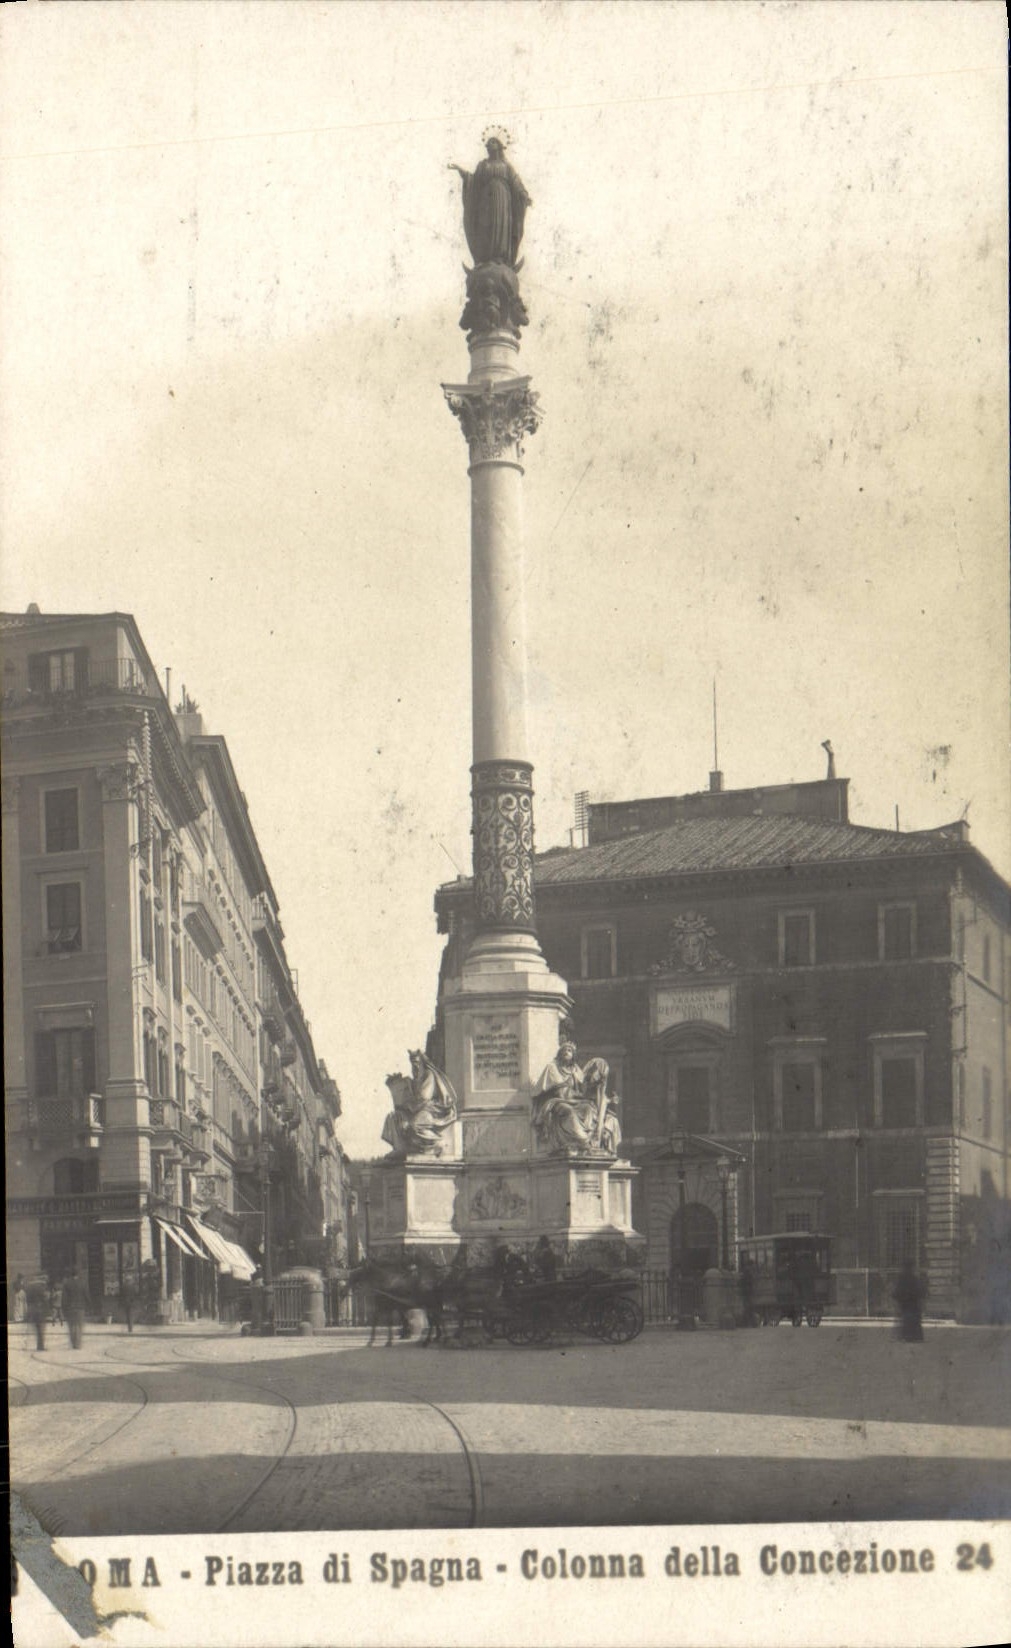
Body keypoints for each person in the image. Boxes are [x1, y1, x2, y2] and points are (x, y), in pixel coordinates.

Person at [449, 134, 532, 268]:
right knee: (486, 225)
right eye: (488, 144)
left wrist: (524, 195)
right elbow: (474, 181)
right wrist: (462, 172)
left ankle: (500, 257)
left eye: (492, 142)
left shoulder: (506, 166)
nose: (489, 145)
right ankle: (486, 257)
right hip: (486, 202)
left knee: (501, 225)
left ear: (499, 146)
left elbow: (516, 182)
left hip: (503, 200)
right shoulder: (483, 165)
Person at [893, 1259, 925, 1341]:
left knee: (906, 1319)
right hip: (913, 1302)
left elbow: (897, 1291)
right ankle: (915, 1336)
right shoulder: (914, 1278)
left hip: (905, 1302)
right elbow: (920, 1291)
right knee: (914, 1319)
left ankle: (907, 1336)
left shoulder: (902, 1278)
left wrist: (898, 1299)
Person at [62, 1271, 91, 1350]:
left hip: (70, 1308)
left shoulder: (67, 1284)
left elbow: (64, 1298)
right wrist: (89, 1305)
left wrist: (64, 1308)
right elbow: (86, 1295)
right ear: (78, 1274)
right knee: (79, 1326)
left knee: (71, 1326)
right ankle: (78, 1344)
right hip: (80, 1307)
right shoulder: (83, 1283)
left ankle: (73, 1343)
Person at [25, 1275, 49, 1351]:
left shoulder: (29, 1288)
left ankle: (39, 1345)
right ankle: (40, 1346)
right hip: (40, 1309)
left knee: (37, 1328)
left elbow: (27, 1299)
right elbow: (44, 1298)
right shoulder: (41, 1287)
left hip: (32, 1309)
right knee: (41, 1328)